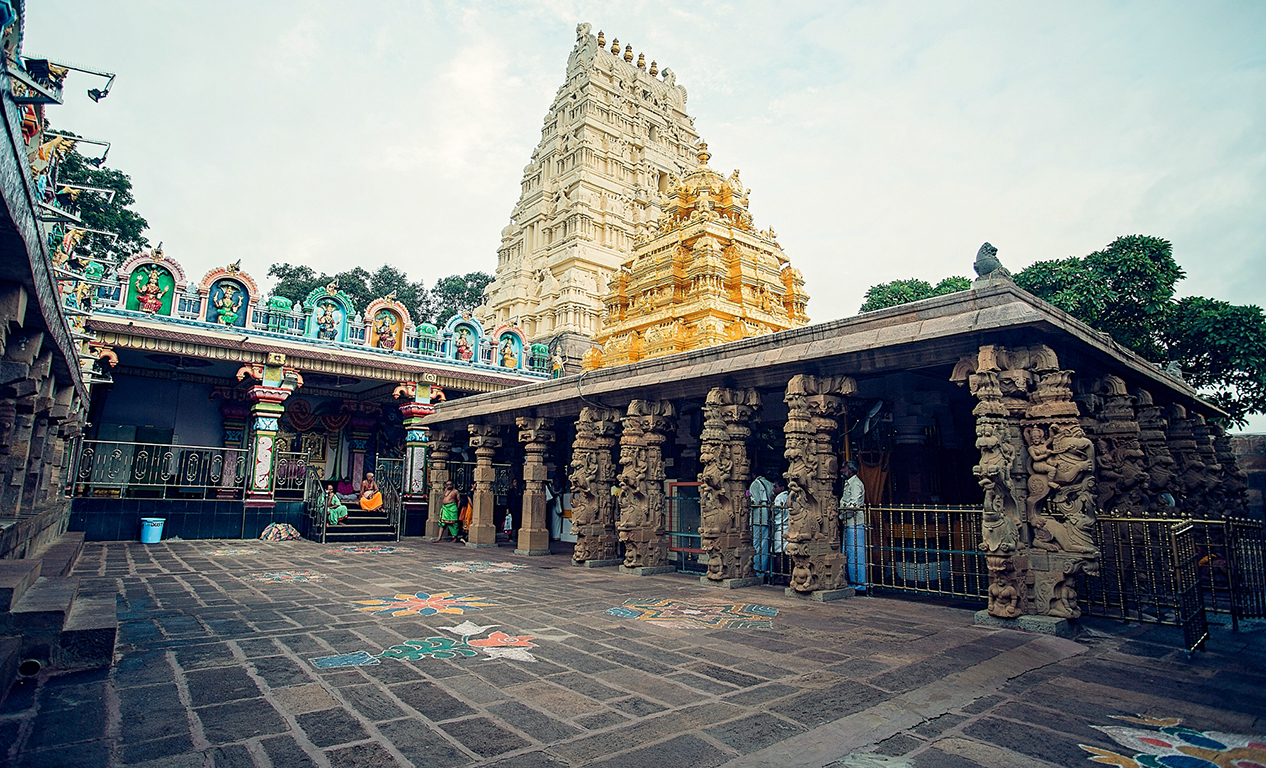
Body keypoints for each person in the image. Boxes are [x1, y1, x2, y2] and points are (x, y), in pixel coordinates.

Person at [839, 460, 867, 593]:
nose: (841, 470)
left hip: (855, 523)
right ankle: (852, 581)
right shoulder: (849, 483)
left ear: (851, 470)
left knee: (856, 554)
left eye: (844, 468)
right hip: (849, 522)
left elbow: (854, 504)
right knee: (849, 553)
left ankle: (860, 584)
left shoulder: (855, 484)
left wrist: (841, 513)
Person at [748, 473, 775, 574]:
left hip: (758, 517)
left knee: (757, 544)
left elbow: (755, 501)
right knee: (765, 545)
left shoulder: (755, 484)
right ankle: (763, 569)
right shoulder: (770, 484)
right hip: (767, 515)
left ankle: (757, 569)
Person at [771, 480, 789, 580]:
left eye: (775, 487)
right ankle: (787, 573)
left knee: (778, 552)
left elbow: (775, 510)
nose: (774, 489)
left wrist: (773, 502)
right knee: (787, 552)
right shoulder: (789, 496)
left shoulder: (780, 497)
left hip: (781, 526)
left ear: (782, 488)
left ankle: (780, 575)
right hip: (787, 526)